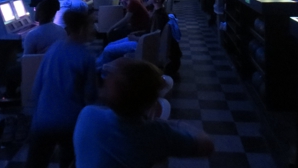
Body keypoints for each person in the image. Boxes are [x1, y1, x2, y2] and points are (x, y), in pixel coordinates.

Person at [73, 59, 214, 168]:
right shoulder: (157, 134)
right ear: (150, 101)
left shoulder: (87, 115)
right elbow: (207, 146)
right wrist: (173, 123)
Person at [26, 12, 97, 168]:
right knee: (69, 161)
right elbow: (91, 95)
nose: (93, 30)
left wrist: (34, 114)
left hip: (43, 119)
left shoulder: (54, 48)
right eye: (91, 26)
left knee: (36, 163)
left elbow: (38, 85)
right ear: (82, 29)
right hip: (70, 121)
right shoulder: (86, 57)